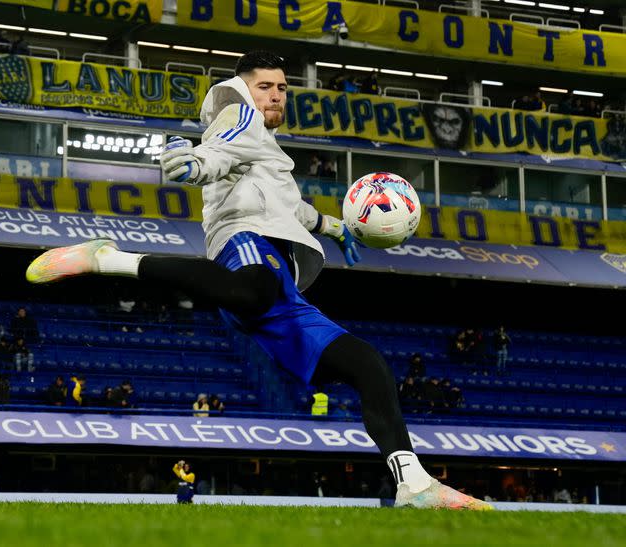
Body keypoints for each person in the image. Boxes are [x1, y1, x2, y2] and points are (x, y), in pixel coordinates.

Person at [25, 50, 490, 510]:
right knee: (254, 290)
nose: (276, 96)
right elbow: (220, 149)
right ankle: (104, 259)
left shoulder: (268, 150)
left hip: (278, 276)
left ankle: (414, 483)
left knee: (367, 365)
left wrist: (331, 227)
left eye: (283, 88)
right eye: (265, 86)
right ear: (245, 87)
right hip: (246, 242)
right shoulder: (239, 112)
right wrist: (195, 164)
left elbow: (288, 207)